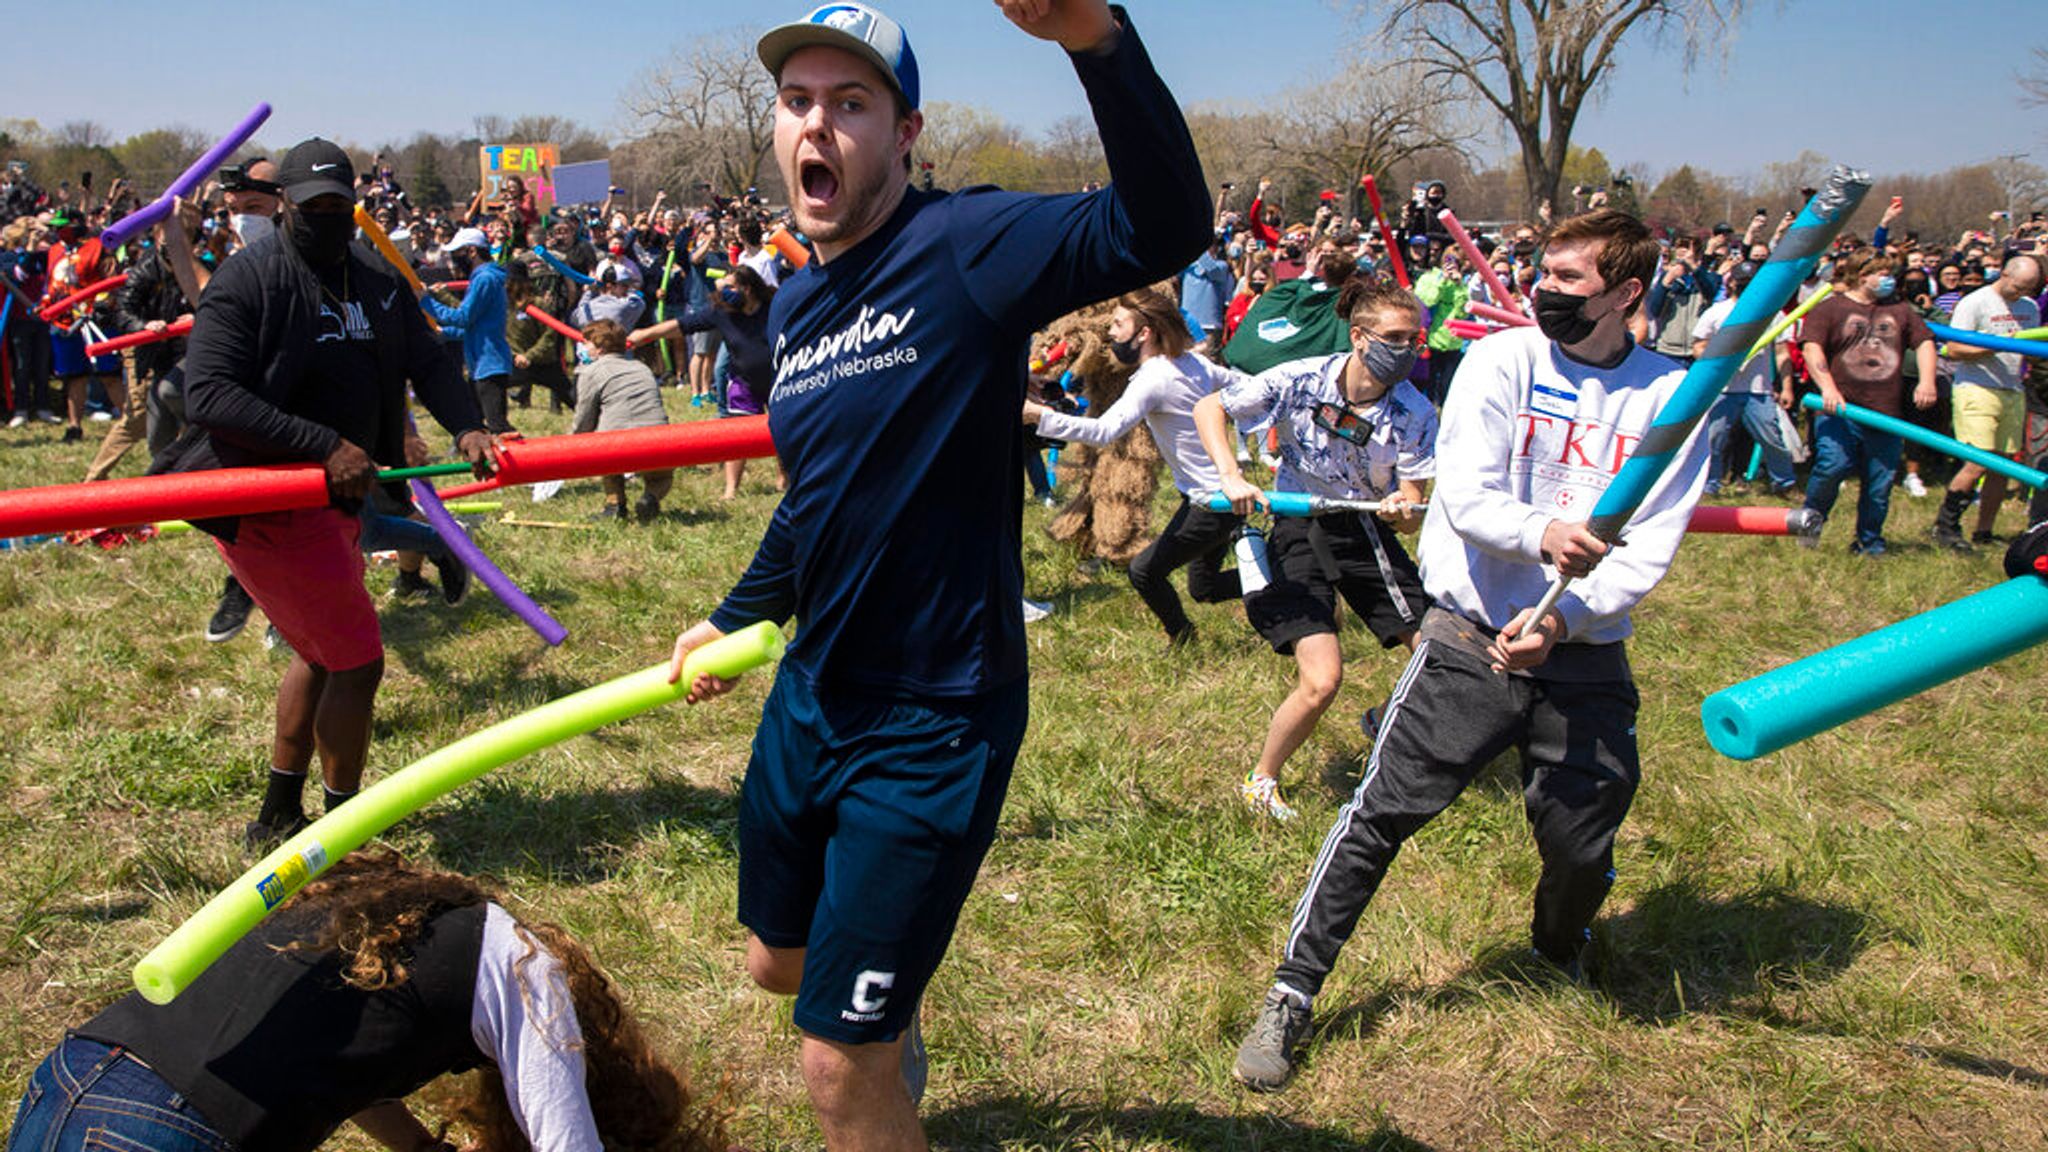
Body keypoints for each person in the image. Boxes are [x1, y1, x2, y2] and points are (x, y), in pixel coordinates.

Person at [661, 2, 1208, 1147]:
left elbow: (1164, 223)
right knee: (775, 962)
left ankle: (869, 1044)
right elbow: (816, 499)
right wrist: (732, 617)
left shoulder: (968, 246)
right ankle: (879, 1004)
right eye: (798, 101)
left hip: (934, 717)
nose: (819, 125)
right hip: (813, 693)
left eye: (851, 104)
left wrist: (1095, 41)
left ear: (904, 132)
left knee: (833, 1063)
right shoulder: (800, 301)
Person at [1230, 209, 1711, 1092]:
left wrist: (1566, 620)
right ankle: (1293, 990)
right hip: (1467, 637)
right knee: (1380, 815)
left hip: (1584, 650)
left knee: (1581, 842)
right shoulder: (1504, 360)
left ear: (1628, 292)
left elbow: (1654, 539)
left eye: (1570, 279)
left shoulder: (1669, 398)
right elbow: (1469, 497)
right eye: (1545, 271)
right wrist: (1545, 536)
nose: (1546, 290)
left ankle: (1559, 944)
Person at [153, 138, 492, 847]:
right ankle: (341, 830)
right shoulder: (251, 280)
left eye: (340, 206)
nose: (328, 218)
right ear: (286, 208)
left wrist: (467, 426)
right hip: (269, 500)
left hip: (335, 499)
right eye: (313, 208)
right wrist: (322, 445)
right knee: (357, 662)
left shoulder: (374, 277)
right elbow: (209, 394)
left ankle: (278, 812)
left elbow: (427, 360)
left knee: (318, 649)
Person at [6, 852, 726, 1152]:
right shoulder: (527, 972)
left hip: (69, 1076)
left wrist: (417, 1148)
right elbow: (568, 1143)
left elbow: (343, 1063)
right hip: (164, 1130)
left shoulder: (369, 928)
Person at [1195, 277, 1436, 821]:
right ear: (1358, 336)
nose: (1407, 351)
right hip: (1297, 524)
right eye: (1395, 337)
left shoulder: (1415, 411)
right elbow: (1212, 408)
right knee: (1323, 678)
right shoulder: (1301, 379)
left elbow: (1410, 508)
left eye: (1415, 340)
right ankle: (1262, 780)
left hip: (1364, 529)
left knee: (1436, 657)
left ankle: (1384, 722)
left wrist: (1404, 508)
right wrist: (1231, 475)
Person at [1023, 286, 1242, 645]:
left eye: (1119, 325)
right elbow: (1246, 387)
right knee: (1204, 587)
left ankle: (1183, 638)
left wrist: (1039, 417)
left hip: (1213, 499)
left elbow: (1104, 431)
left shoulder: (1154, 378)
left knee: (1144, 572)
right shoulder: (1192, 362)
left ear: (1144, 333)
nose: (1110, 332)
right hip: (1218, 492)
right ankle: (1288, 581)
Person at [1800, 248, 1937, 556]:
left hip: (1885, 413)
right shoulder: (1830, 309)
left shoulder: (1900, 310)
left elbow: (1925, 342)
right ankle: (1809, 523)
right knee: (1831, 467)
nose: (1889, 280)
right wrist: (1828, 389)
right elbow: (1812, 348)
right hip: (1840, 409)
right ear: (1862, 276)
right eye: (1883, 274)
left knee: (1879, 485)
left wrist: (1927, 381)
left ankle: (1869, 542)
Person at [632, 265, 777, 500]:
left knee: (781, 431)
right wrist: (647, 334)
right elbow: (683, 325)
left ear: (748, 289)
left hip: (778, 379)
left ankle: (785, 478)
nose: (725, 292)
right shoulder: (721, 310)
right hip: (743, 382)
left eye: (730, 287)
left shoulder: (775, 306)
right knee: (738, 436)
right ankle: (731, 490)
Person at [1934, 253, 2043, 550]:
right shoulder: (1975, 303)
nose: (2021, 293)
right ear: (2004, 275)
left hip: (2012, 389)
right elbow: (1953, 349)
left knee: (2003, 466)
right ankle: (1946, 525)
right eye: (2018, 286)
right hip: (1976, 387)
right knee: (1978, 461)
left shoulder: (2029, 307)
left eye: (2029, 288)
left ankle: (1984, 531)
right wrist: (1994, 346)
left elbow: (2028, 352)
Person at [1693, 261, 1797, 495]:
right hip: (1723, 388)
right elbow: (1698, 347)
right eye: (1742, 283)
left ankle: (1784, 483)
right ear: (1732, 283)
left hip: (1758, 390)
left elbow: (1782, 353)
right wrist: (1720, 362)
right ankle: (1710, 484)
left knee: (1772, 439)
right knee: (1713, 440)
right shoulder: (1717, 312)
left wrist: (1787, 387)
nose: (1746, 287)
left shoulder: (1773, 314)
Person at [573, 319, 674, 523]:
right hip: (659, 440)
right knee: (662, 476)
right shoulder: (641, 368)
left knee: (610, 469)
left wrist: (572, 444)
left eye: (586, 344)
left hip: (617, 444)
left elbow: (584, 418)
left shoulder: (591, 372)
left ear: (600, 348)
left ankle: (615, 504)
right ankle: (650, 497)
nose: (583, 348)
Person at [424, 227, 515, 434]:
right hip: (482, 363)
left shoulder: (484, 280)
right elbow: (476, 327)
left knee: (498, 427)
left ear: (471, 251)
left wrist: (425, 301)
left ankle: (531, 462)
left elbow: (463, 318)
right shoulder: (482, 278)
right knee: (473, 420)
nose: (454, 259)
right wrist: (444, 332)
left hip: (490, 363)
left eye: (457, 253)